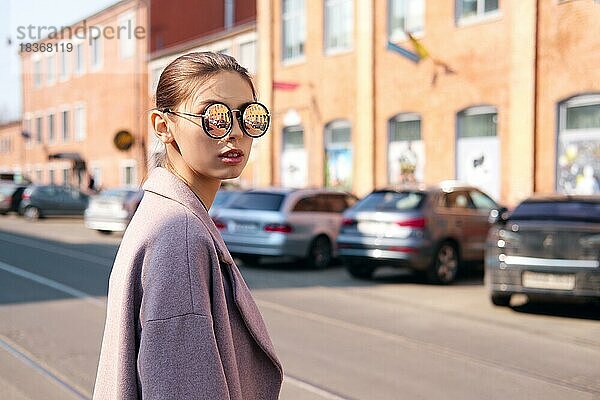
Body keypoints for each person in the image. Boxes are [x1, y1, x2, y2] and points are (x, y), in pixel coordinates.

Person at [93, 52, 283, 399]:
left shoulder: (161, 211)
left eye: (249, 117)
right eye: (214, 116)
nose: (235, 133)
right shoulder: (180, 233)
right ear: (163, 126)